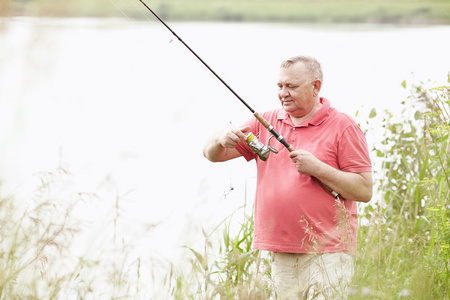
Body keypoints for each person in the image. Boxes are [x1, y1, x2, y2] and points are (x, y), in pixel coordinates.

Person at [203, 55, 373, 299]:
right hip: (279, 249)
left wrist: (317, 168)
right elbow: (212, 155)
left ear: (316, 87)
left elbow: (364, 190)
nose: (284, 93)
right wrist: (220, 139)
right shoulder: (265, 121)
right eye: (280, 86)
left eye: (292, 86)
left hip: (329, 251)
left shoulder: (343, 126)